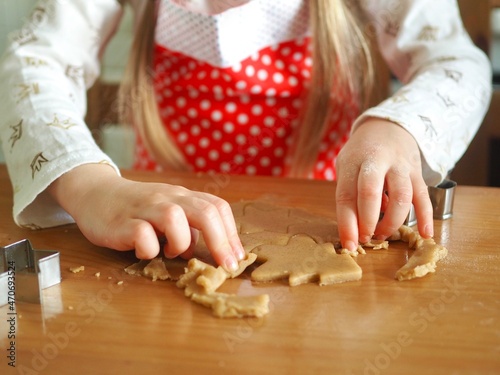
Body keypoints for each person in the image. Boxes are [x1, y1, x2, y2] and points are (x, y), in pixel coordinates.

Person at [0, 0, 492, 272]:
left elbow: (454, 59)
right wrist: (88, 186)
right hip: (174, 235)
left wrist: (399, 128)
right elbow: (33, 62)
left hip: (326, 223)